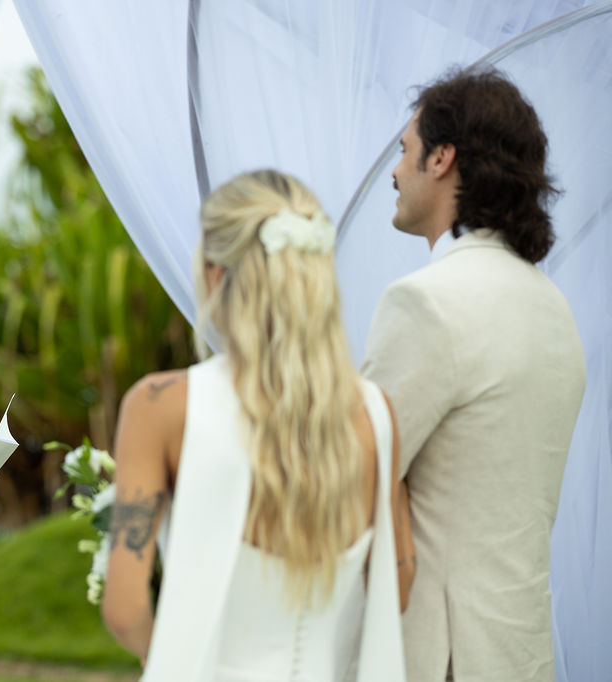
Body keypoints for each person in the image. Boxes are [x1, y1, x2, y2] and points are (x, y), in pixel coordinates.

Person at [102, 169, 416, 681]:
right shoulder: (375, 414)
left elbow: (125, 609)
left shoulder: (162, 406)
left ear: (214, 275)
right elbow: (397, 583)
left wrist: (167, 657)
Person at [362, 67, 586, 682]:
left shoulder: (425, 302)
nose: (394, 171)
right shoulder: (556, 311)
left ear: (442, 158)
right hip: (524, 655)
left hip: (440, 659)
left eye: (404, 150)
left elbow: (351, 477)